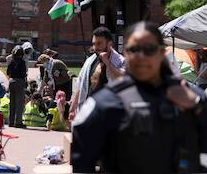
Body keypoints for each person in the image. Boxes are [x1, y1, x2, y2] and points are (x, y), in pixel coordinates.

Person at [71, 21, 207, 173]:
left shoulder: (193, 97)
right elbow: (82, 161)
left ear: (162, 53)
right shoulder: (105, 103)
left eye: (149, 49)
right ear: (126, 53)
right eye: (134, 49)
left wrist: (197, 107)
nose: (141, 56)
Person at [68, 27, 125, 121]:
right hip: (88, 111)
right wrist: (72, 109)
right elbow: (80, 86)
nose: (95, 47)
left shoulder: (120, 61)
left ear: (109, 44)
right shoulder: (89, 61)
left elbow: (121, 80)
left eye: (99, 44)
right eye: (94, 44)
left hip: (109, 114)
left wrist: (107, 62)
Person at [7, 46, 27, 128]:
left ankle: (11, 122)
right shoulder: (22, 62)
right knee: (19, 103)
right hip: (19, 81)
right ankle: (18, 122)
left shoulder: (11, 61)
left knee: (12, 102)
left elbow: (8, 72)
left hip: (11, 81)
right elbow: (23, 74)